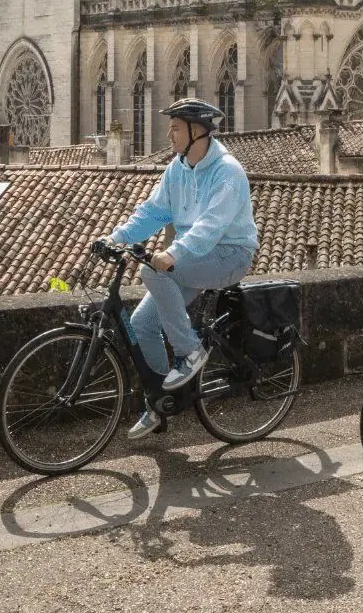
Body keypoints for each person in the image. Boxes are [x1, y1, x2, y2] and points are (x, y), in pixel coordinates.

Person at [99, 97, 259, 439]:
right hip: (193, 257)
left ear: (196, 131)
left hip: (230, 255)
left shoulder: (227, 172)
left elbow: (210, 226)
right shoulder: (179, 168)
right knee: (142, 324)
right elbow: (154, 212)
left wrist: (173, 255)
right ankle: (158, 403)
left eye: (175, 128)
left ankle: (189, 352)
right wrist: (116, 237)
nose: (169, 135)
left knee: (153, 271)